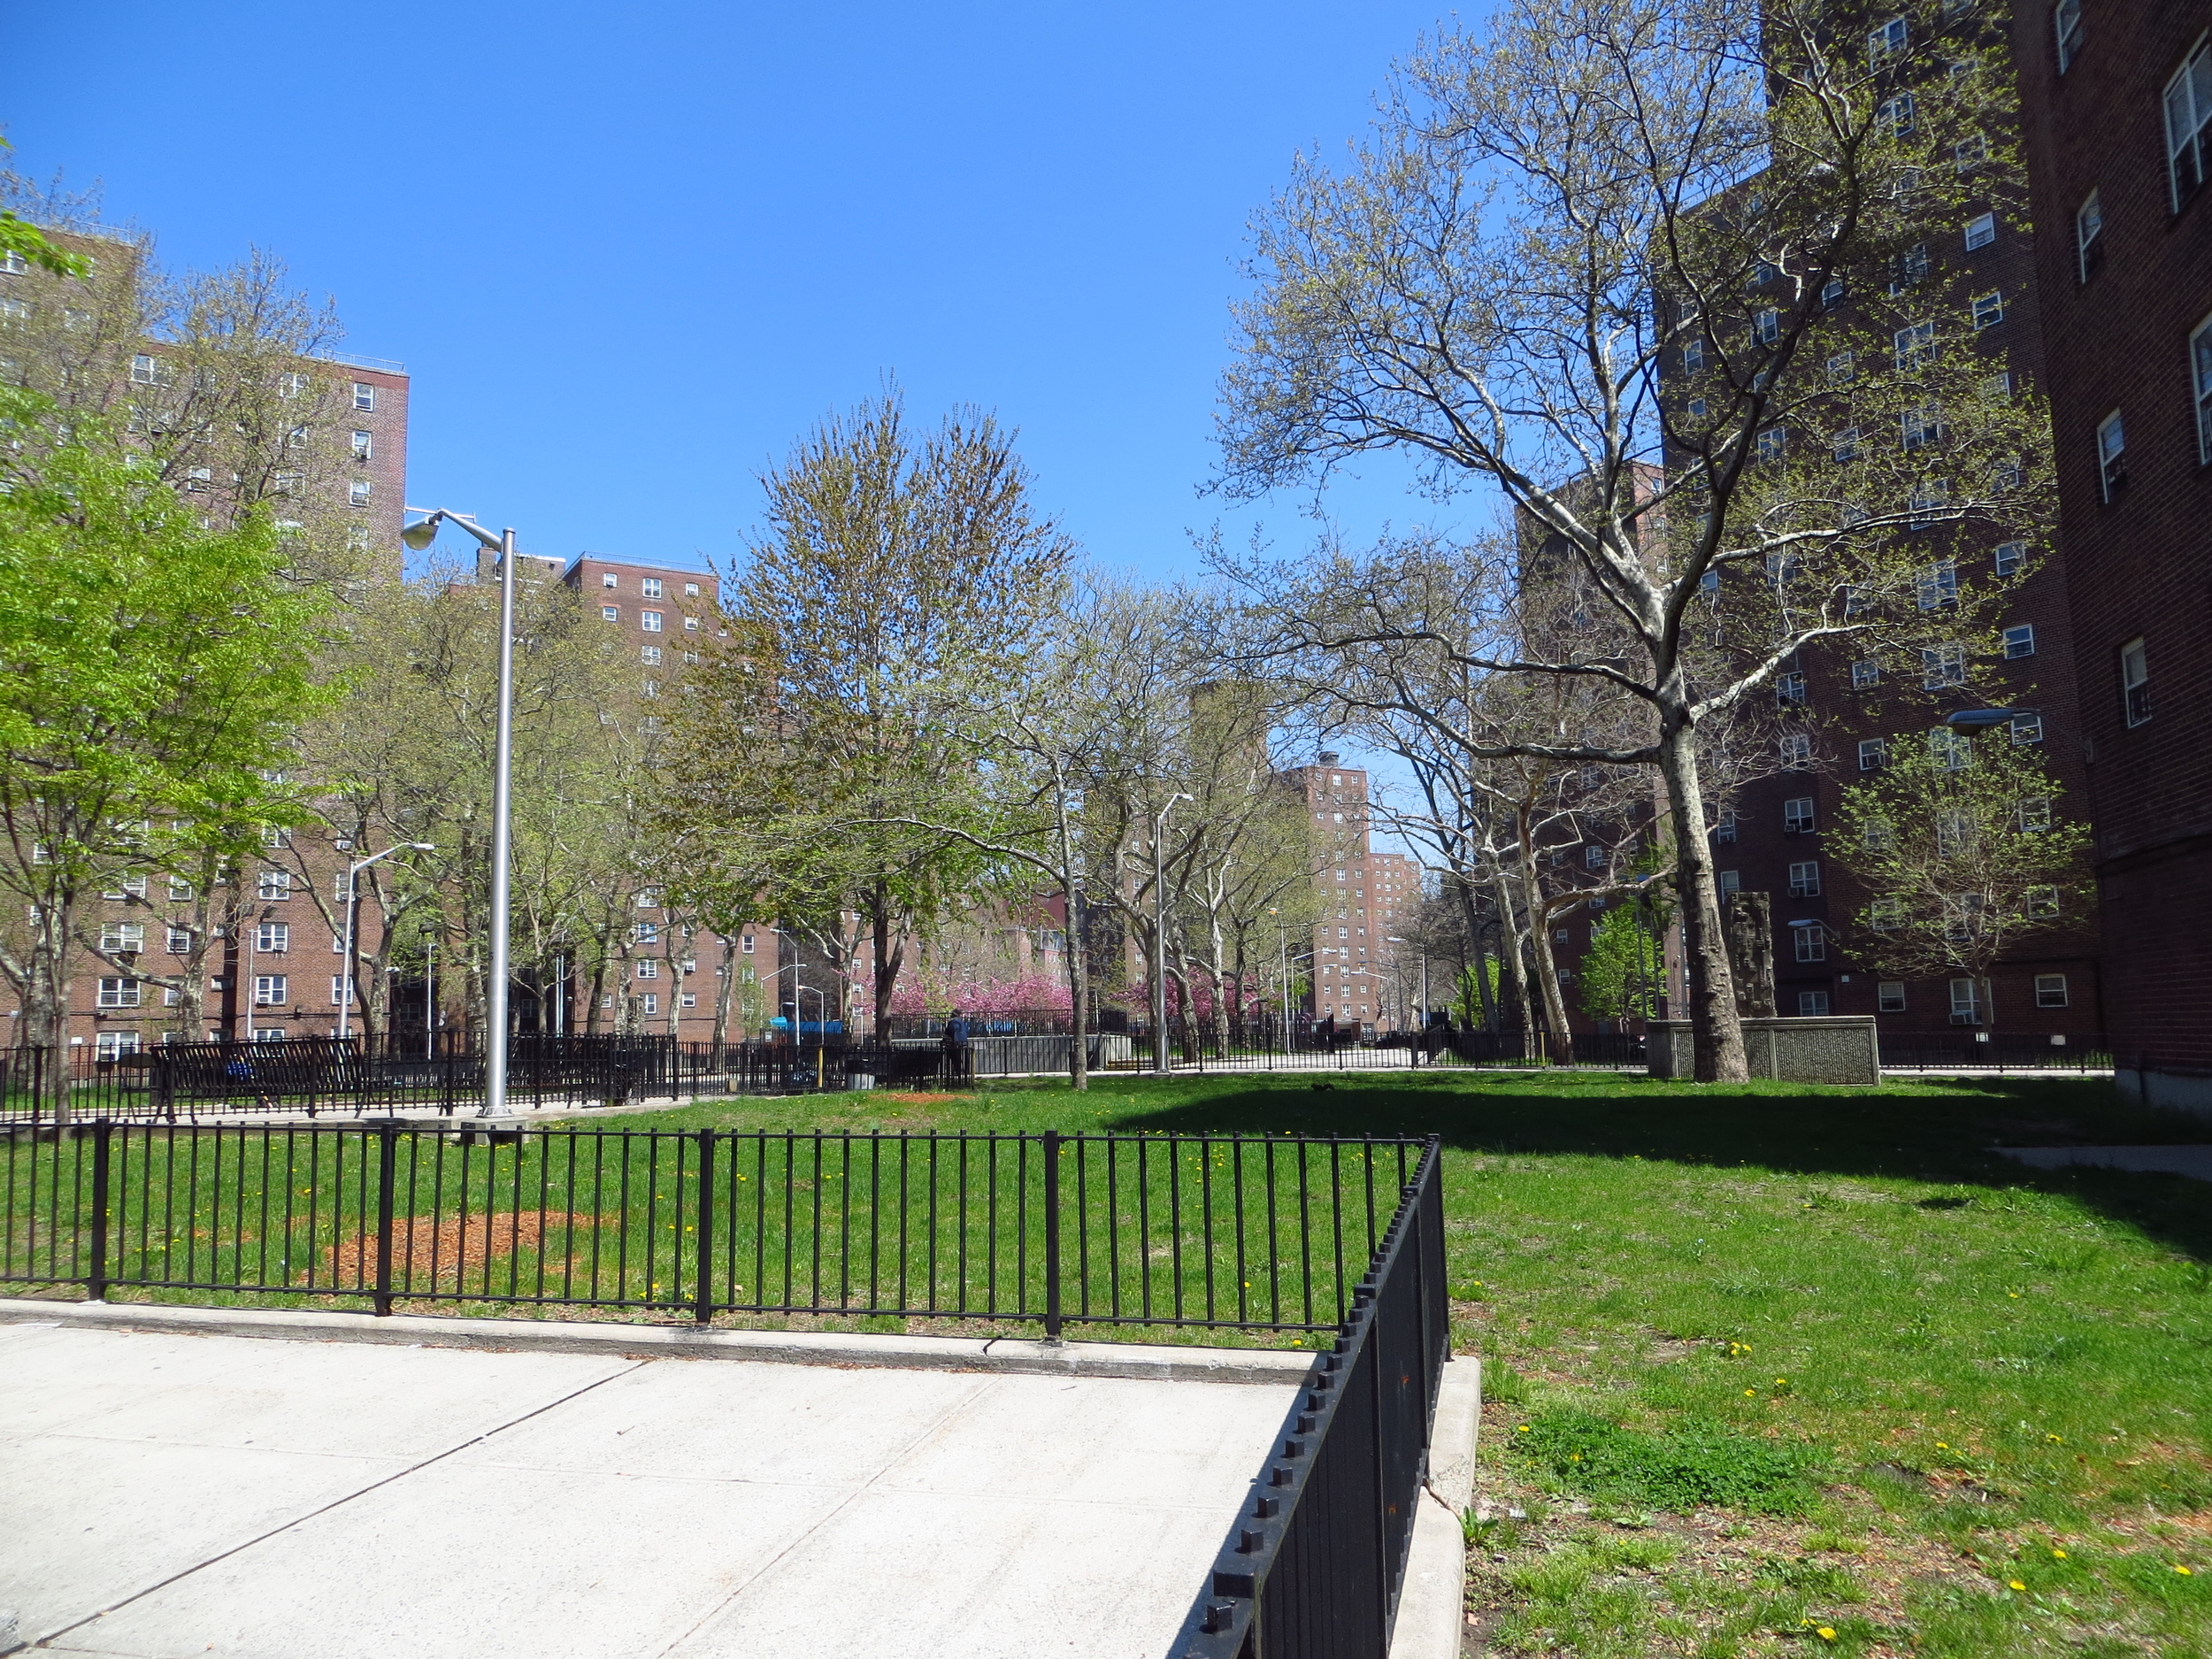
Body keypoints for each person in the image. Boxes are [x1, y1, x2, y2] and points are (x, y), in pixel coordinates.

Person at [940, 1009, 972, 1085]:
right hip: (960, 1043)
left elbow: (955, 1031)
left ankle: (957, 1071)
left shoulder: (954, 1022)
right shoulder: (960, 1021)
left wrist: (955, 1042)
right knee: (957, 1057)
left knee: (955, 1058)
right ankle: (958, 1070)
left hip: (954, 1044)